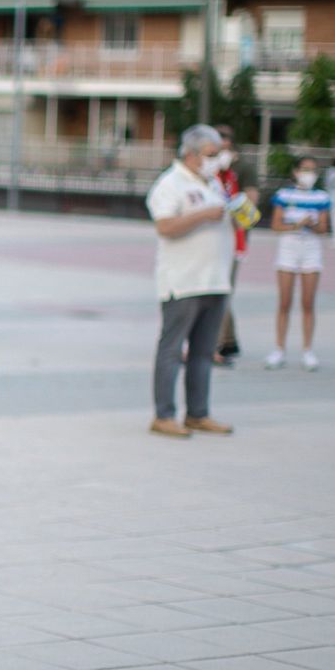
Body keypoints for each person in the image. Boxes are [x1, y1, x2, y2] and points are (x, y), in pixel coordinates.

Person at [146, 124, 238, 439]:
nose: (217, 160)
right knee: (172, 349)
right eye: (212, 154)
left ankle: (198, 413)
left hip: (215, 279)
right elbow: (165, 226)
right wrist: (203, 215)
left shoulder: (213, 183)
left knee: (203, 351)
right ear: (191, 154)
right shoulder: (170, 184)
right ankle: (164, 414)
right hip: (183, 281)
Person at [266, 157, 331, 371]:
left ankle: (307, 350)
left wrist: (311, 225)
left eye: (313, 170)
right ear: (295, 171)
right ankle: (279, 349)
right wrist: (296, 224)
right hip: (288, 247)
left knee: (308, 302)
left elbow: (323, 227)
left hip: (311, 248)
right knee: (284, 301)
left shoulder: (321, 197)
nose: (309, 174)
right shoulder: (284, 195)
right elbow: (276, 225)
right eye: (305, 169)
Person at [212, 126, 258, 367]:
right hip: (210, 240)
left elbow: (251, 209)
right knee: (214, 289)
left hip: (233, 239)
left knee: (221, 290)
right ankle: (227, 341)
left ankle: (219, 344)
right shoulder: (208, 171)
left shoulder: (243, 169)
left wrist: (231, 205)